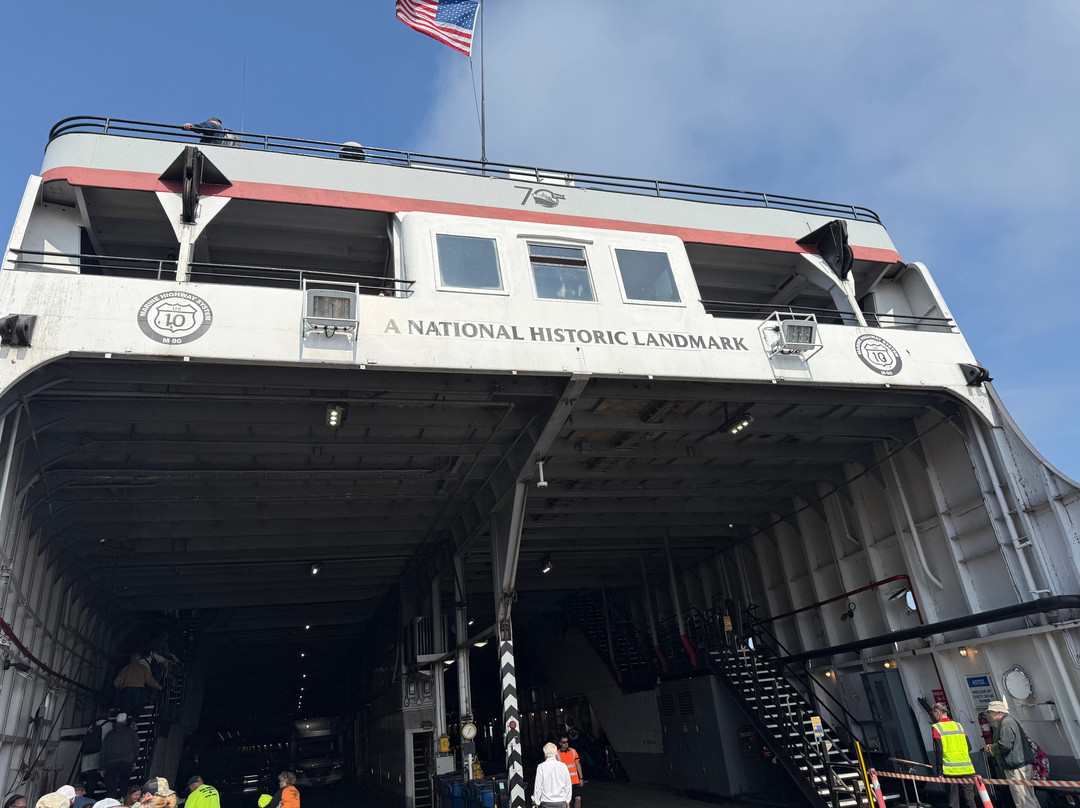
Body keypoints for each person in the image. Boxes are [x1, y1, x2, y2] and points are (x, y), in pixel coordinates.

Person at [985, 700, 1037, 808]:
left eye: (991, 712)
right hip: (1021, 764)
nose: (990, 715)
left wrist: (991, 748)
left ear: (999, 712)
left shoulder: (1005, 723)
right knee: (1029, 796)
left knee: (1022, 798)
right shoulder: (1009, 721)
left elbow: (1005, 745)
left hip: (1016, 767)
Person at [930, 703, 976, 808]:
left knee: (953, 802)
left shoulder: (937, 727)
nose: (934, 716)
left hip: (950, 769)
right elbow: (969, 747)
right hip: (966, 768)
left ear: (938, 712)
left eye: (934, 714)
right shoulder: (958, 725)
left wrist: (939, 771)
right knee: (970, 800)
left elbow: (939, 751)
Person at [99, 713, 140, 798]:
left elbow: (103, 751)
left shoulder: (109, 734)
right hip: (126, 762)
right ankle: (123, 802)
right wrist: (134, 761)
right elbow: (136, 748)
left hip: (111, 764)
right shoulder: (131, 732)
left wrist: (102, 767)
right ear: (125, 721)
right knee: (124, 786)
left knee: (111, 788)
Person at [533, 742, 572, 808]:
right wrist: (567, 801)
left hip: (546, 803)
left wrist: (536, 802)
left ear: (545, 754)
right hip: (561, 802)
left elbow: (538, 787)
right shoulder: (563, 766)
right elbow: (568, 785)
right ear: (556, 753)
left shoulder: (541, 767)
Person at [556, 735, 583, 808]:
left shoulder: (573, 751)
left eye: (567, 742)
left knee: (578, 799)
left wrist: (581, 778)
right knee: (568, 802)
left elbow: (578, 764)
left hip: (575, 781)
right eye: (564, 742)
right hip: (564, 783)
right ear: (560, 743)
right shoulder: (557, 754)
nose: (566, 744)